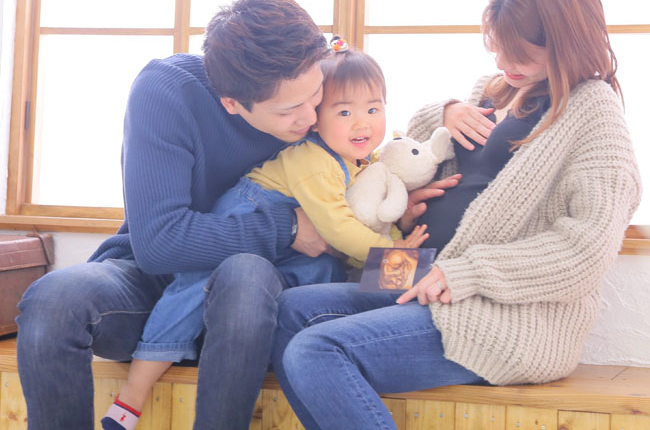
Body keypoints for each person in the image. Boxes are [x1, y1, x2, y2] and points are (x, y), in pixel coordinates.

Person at [14, 0, 455, 430]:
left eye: (316, 95)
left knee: (244, 273)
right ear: (231, 102)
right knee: (53, 301)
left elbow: (373, 155)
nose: (311, 117)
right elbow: (158, 244)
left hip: (267, 295)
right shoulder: (167, 91)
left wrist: (444, 122)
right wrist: (288, 227)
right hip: (161, 283)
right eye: (289, 110)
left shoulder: (324, 104)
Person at [268, 0, 643, 429]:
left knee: (316, 350)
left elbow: (585, 252)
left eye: (519, 54)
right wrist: (444, 111)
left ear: (566, 42)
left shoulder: (594, 113)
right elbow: (405, 148)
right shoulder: (496, 89)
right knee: (286, 310)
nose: (504, 64)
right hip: (416, 268)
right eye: (497, 47)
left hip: (488, 305)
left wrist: (466, 272)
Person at [102, 46, 430, 430]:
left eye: (373, 109)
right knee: (189, 294)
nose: (362, 124)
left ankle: (300, 348)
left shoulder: (364, 164)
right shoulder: (314, 162)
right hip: (243, 215)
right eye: (344, 112)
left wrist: (400, 238)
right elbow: (341, 229)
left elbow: (358, 230)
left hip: (294, 244)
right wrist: (394, 253)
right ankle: (133, 393)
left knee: (323, 272)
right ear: (316, 118)